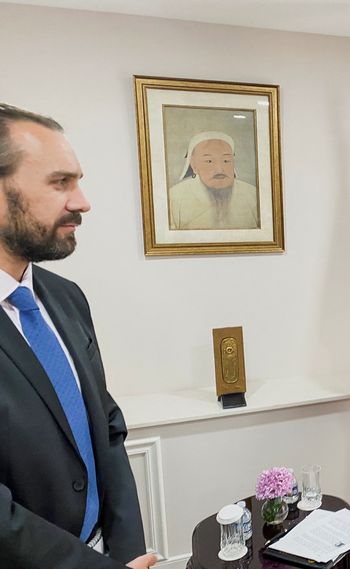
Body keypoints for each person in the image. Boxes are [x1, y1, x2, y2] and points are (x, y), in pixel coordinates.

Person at [0, 103, 157, 569]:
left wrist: (126, 552)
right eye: (60, 182)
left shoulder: (65, 298)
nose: (82, 201)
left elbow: (106, 427)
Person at [168, 131, 259, 230]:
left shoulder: (252, 194)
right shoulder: (175, 197)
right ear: (193, 165)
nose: (220, 169)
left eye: (226, 161)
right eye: (209, 161)